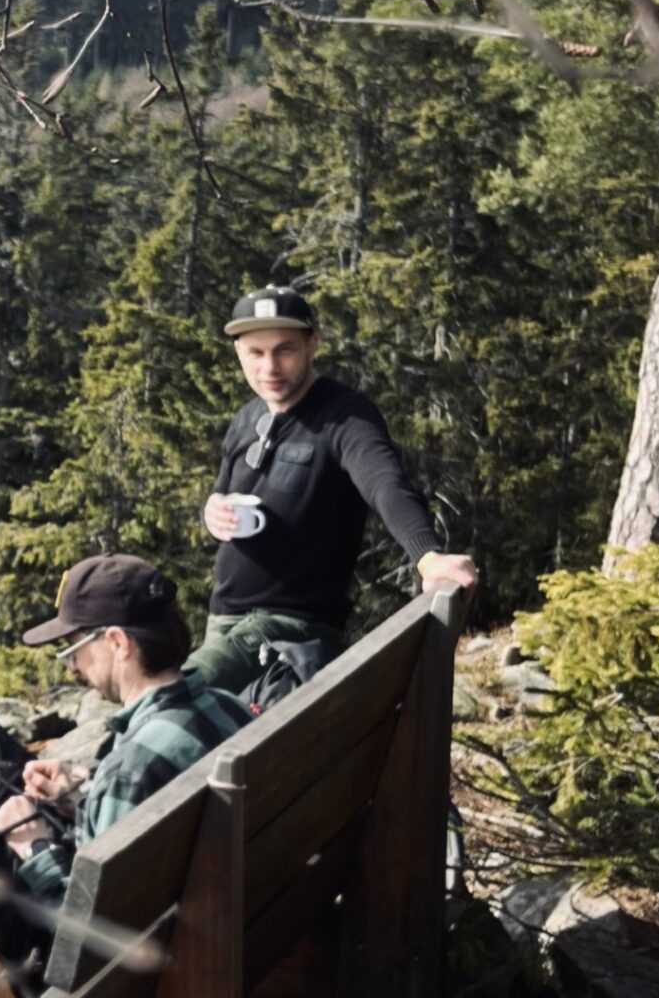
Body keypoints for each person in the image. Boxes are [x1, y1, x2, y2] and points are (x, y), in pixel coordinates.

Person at [188, 284, 478, 696]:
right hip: (223, 624)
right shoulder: (245, 418)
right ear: (239, 353)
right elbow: (221, 493)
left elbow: (385, 483)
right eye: (255, 352)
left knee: (175, 700)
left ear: (313, 345)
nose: (269, 367)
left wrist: (428, 557)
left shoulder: (345, 418)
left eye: (284, 349)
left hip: (289, 630)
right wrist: (211, 511)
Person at [0, 553, 249, 902]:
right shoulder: (230, 708)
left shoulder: (130, 769)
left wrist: (34, 847)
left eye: (74, 649)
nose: (71, 668)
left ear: (117, 643)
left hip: (187, 948)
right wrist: (84, 801)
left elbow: (92, 933)